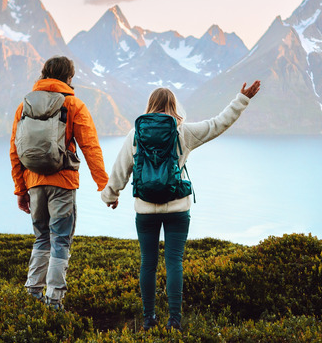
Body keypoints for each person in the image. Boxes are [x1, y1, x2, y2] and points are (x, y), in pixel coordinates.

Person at [101, 80, 261, 330]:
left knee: (148, 263)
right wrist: (242, 99)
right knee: (174, 261)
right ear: (173, 106)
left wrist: (111, 195)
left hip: (145, 209)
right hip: (178, 207)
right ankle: (174, 319)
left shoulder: (136, 134)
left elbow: (120, 169)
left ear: (150, 105)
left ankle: (148, 319)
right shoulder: (182, 131)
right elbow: (218, 124)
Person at [10, 56, 109, 310]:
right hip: (63, 182)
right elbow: (90, 147)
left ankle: (33, 292)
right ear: (69, 78)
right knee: (61, 239)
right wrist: (104, 185)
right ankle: (54, 300)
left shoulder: (25, 106)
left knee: (42, 237)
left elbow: (15, 150)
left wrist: (21, 189)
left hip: (34, 182)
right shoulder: (73, 104)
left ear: (43, 74)